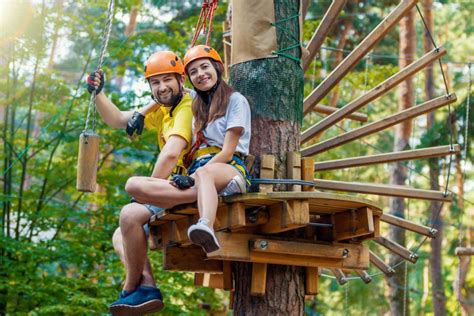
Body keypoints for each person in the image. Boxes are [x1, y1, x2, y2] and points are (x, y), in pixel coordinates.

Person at [86, 51, 193, 314]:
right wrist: (98, 94)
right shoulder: (165, 110)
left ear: (181, 79)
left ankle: (130, 286)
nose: (162, 87)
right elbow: (117, 120)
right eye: (155, 83)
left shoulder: (187, 107)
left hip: (189, 184)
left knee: (129, 214)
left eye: (167, 79)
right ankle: (147, 288)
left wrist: (150, 191)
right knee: (119, 235)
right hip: (174, 187)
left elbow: (171, 153)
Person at [125, 45, 251, 253]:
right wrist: (141, 113)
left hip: (228, 167)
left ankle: (205, 226)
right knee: (133, 185)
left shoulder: (235, 100)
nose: (200, 74)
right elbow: (168, 93)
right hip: (197, 176)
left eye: (204, 67)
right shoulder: (196, 103)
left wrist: (193, 178)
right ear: (188, 79)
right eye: (193, 72)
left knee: (204, 173)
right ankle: (193, 194)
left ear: (217, 68)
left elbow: (227, 152)